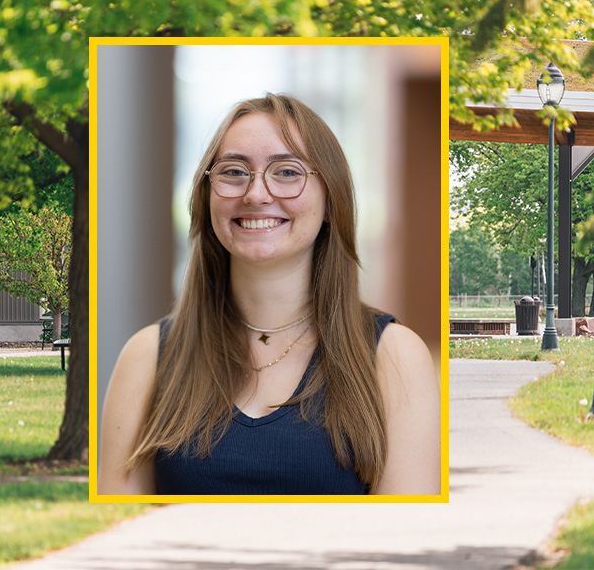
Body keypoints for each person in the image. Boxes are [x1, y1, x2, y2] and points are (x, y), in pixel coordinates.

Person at [100, 93, 440, 495]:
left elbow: (402, 545)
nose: (256, 194)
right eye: (233, 172)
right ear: (207, 196)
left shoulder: (396, 357)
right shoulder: (147, 356)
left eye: (287, 172)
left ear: (331, 199)